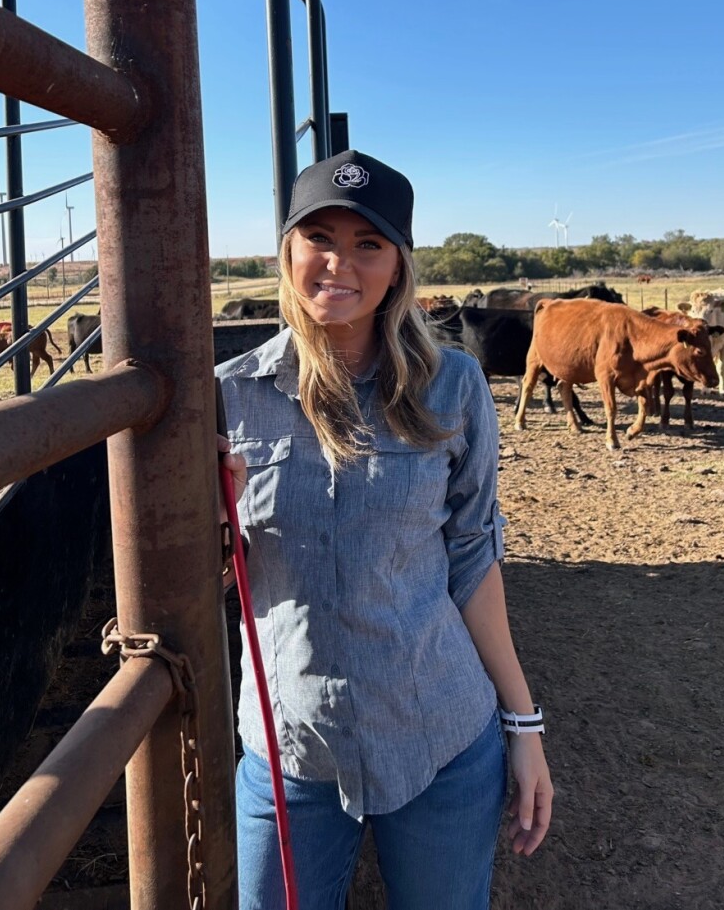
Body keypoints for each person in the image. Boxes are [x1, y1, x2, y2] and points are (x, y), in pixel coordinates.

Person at [217, 149, 553, 910]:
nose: (341, 262)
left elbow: (472, 556)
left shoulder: (455, 386)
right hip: (293, 751)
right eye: (320, 238)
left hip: (440, 738)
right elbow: (204, 569)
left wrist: (523, 725)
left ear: (398, 264)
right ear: (289, 251)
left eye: (368, 243)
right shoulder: (230, 397)